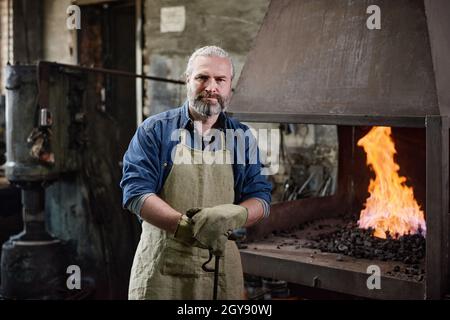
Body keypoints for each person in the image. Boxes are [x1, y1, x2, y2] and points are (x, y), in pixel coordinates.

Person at [120, 46, 272, 300]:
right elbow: (136, 193)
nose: (211, 87)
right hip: (163, 267)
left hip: (221, 268)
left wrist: (239, 213)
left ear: (229, 86)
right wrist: (185, 227)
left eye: (220, 80)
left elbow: (262, 199)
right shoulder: (154, 130)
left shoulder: (242, 137)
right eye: (202, 77)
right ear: (187, 80)